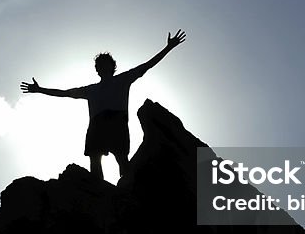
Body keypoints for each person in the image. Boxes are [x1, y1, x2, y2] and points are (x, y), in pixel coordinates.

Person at [20, 30, 186, 181]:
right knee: (94, 159)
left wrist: (169, 47)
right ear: (97, 70)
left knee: (121, 159)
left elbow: (147, 65)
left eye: (105, 64)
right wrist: (40, 89)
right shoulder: (90, 90)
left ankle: (128, 188)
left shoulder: (123, 79)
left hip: (117, 122)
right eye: (99, 65)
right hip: (97, 124)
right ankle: (99, 190)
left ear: (112, 66)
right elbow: (64, 93)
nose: (101, 67)